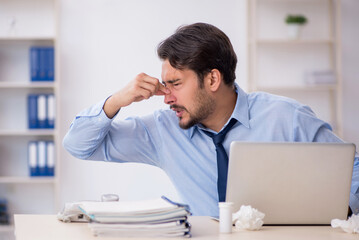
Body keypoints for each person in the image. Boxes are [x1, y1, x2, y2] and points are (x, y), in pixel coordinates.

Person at [63, 22, 359, 217]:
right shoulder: (162, 130)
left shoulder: (285, 117)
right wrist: (117, 100)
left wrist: (337, 214)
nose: (166, 97)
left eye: (176, 84)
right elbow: (79, 146)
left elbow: (351, 168)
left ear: (213, 79)